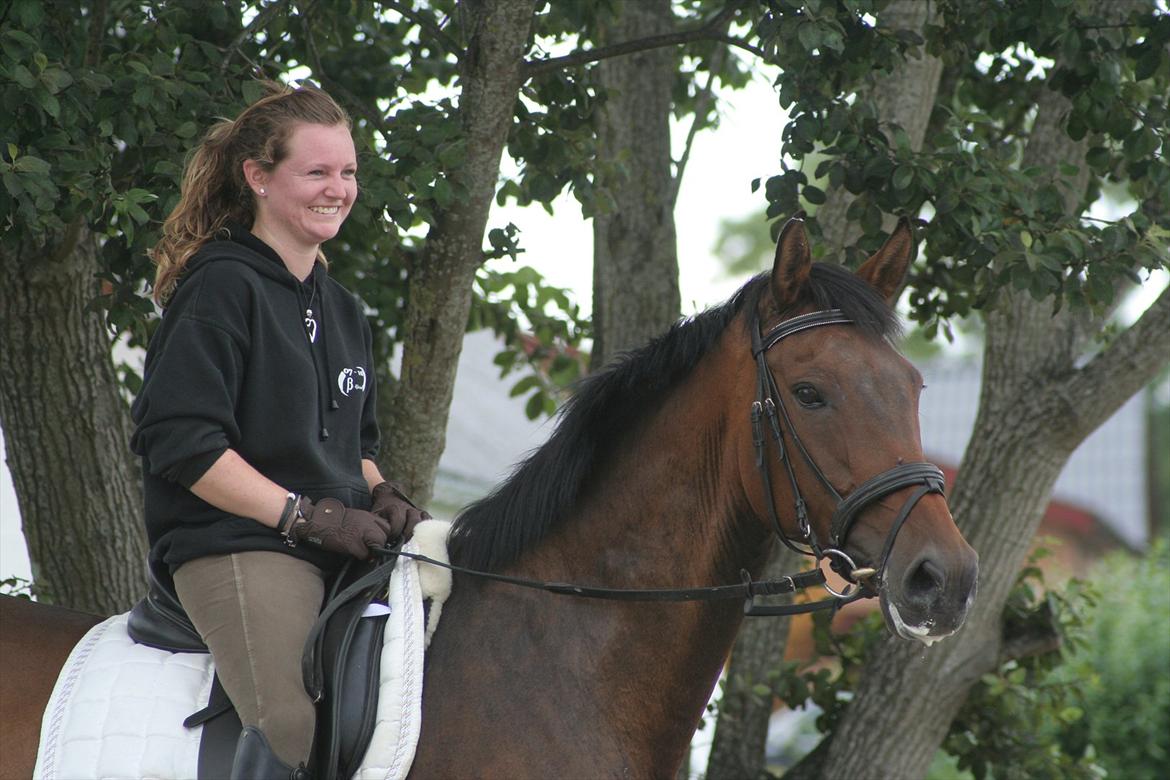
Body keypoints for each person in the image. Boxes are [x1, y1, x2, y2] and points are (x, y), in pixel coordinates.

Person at [131, 82, 428, 779]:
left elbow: (358, 447)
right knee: (294, 726)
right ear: (258, 178)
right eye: (317, 172)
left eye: (348, 172)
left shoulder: (346, 309)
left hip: (338, 543)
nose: (338, 189)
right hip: (236, 546)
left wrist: (384, 497)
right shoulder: (220, 288)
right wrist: (304, 517)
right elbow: (185, 446)